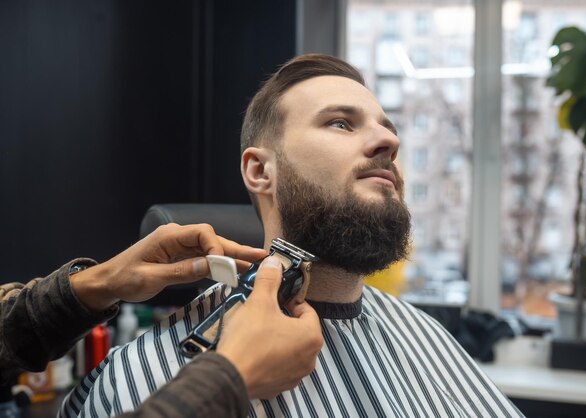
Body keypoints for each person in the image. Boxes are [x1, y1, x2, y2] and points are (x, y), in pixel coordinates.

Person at [61, 54, 524, 417]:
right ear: (260, 170)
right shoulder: (148, 379)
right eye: (340, 122)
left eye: (388, 128)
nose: (390, 143)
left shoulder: (425, 335)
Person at [0, 223, 322, 418]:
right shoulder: (124, 376)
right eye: (339, 124)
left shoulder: (376, 312)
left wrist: (100, 281)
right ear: (259, 170)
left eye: (376, 121)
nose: (376, 137)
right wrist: (230, 377)